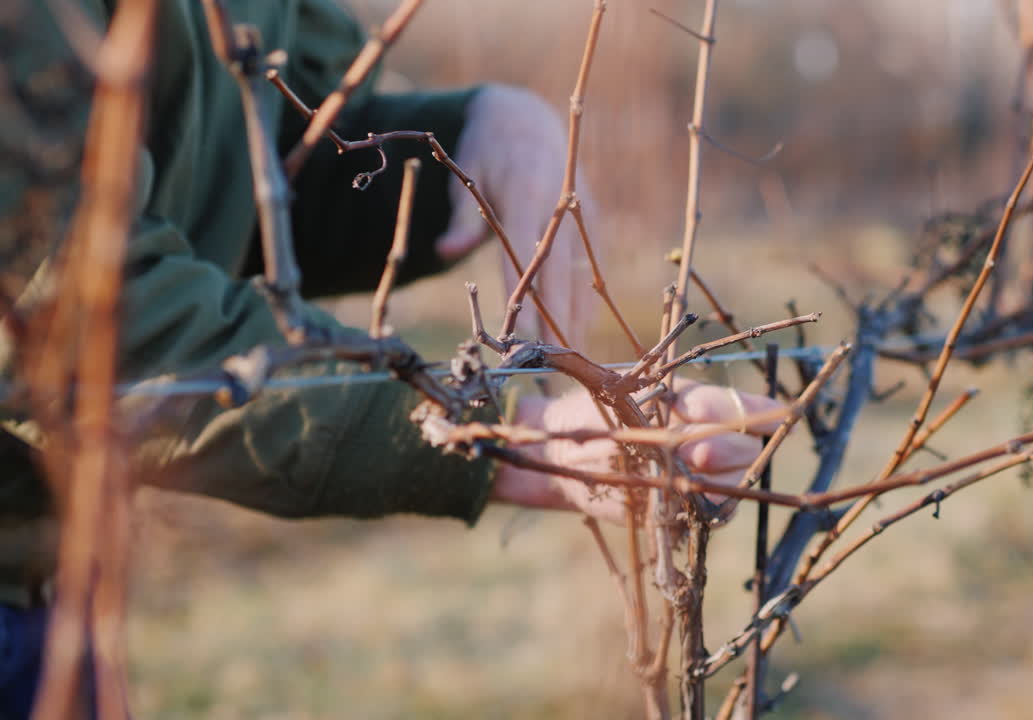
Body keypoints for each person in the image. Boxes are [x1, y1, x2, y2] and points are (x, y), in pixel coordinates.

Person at [0, 1, 781, 715]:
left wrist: (469, 139)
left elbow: (235, 180)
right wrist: (496, 439)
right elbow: (66, 315)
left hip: (48, 580)